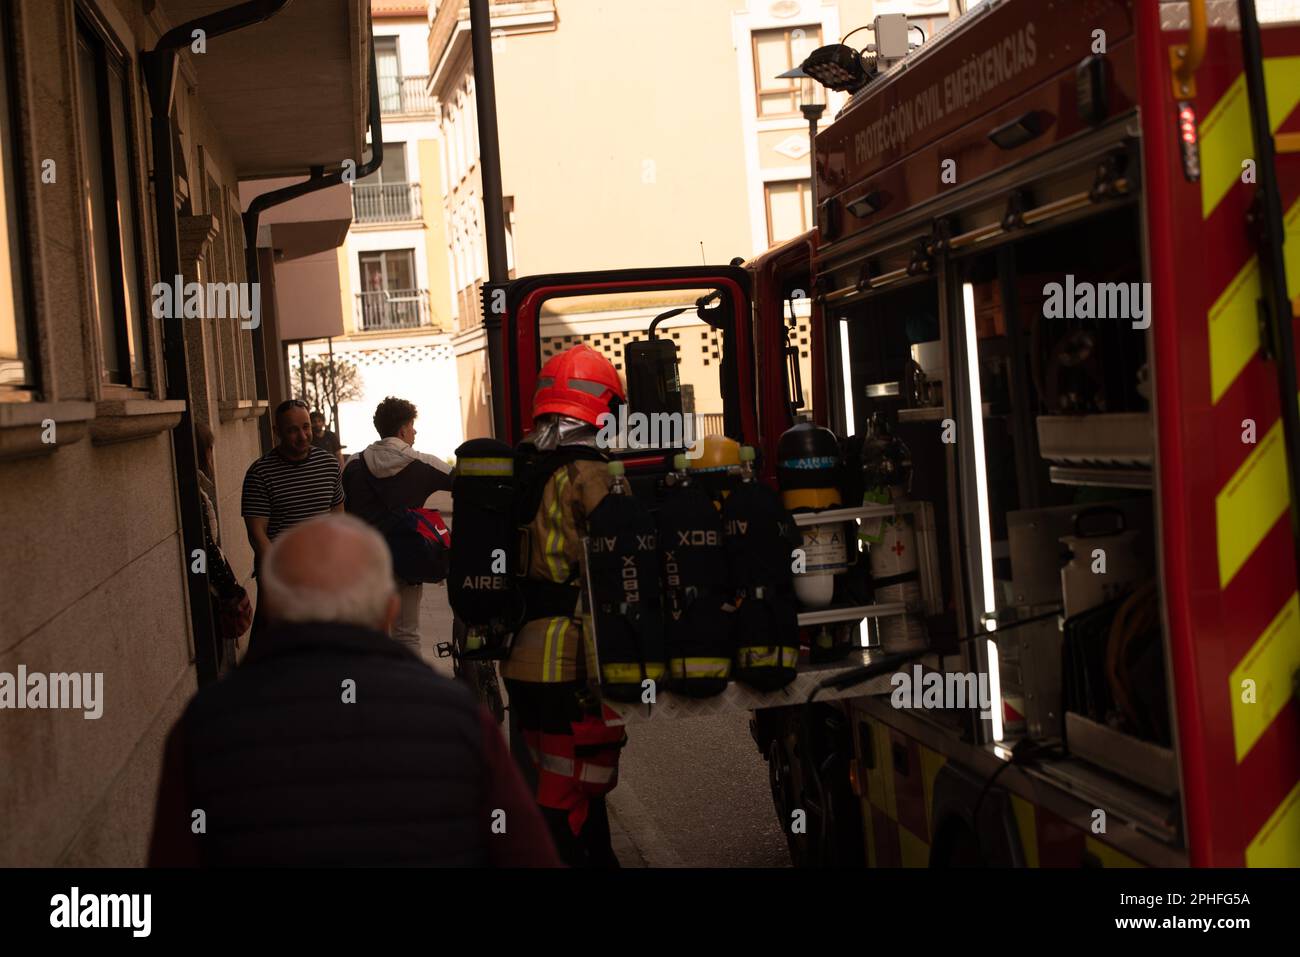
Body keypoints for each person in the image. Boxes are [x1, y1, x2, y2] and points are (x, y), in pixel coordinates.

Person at [147, 514, 559, 867]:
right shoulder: (458, 719)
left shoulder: (204, 728)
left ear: (271, 608)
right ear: (390, 611)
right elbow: (526, 855)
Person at [503, 344, 629, 868]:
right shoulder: (588, 473)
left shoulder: (523, 468)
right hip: (571, 661)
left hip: (524, 654)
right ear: (600, 405)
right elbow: (622, 557)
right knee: (571, 787)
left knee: (566, 781)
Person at [343, 396, 453, 659]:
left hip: (364, 563)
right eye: (412, 426)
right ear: (403, 429)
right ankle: (408, 692)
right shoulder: (423, 463)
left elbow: (341, 513)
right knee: (406, 633)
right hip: (407, 560)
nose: (415, 431)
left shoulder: (353, 466)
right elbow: (467, 483)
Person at [241, 398, 345, 646]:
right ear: (277, 432)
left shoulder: (328, 465)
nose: (302, 436)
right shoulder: (260, 473)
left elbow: (338, 516)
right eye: (293, 430)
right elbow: (257, 534)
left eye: (306, 427)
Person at [194, 422, 252, 669]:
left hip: (210, 588)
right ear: (203, 450)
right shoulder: (195, 493)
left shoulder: (196, 487)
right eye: (209, 448)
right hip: (210, 592)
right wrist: (230, 587)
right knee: (213, 656)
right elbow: (206, 546)